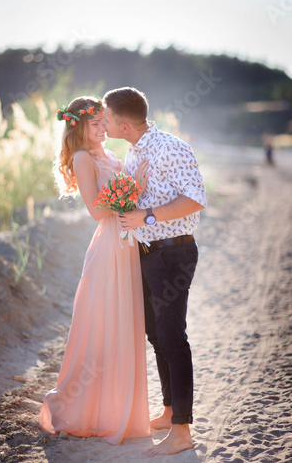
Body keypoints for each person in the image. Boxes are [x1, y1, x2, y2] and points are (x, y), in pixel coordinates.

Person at [39, 96, 151, 445]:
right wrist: (137, 187)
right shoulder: (83, 158)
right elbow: (95, 210)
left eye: (104, 122)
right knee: (104, 324)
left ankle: (121, 410)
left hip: (127, 243)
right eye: (96, 123)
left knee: (125, 323)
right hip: (108, 246)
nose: (104, 128)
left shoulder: (111, 156)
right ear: (79, 127)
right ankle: (85, 408)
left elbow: (123, 201)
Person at [103, 87, 207, 456]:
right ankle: (168, 411)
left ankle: (182, 432)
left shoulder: (169, 146)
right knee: (157, 335)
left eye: (107, 118)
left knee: (173, 337)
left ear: (125, 124)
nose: (103, 122)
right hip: (147, 254)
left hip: (172, 254)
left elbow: (195, 198)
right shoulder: (135, 150)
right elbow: (140, 198)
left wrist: (146, 216)